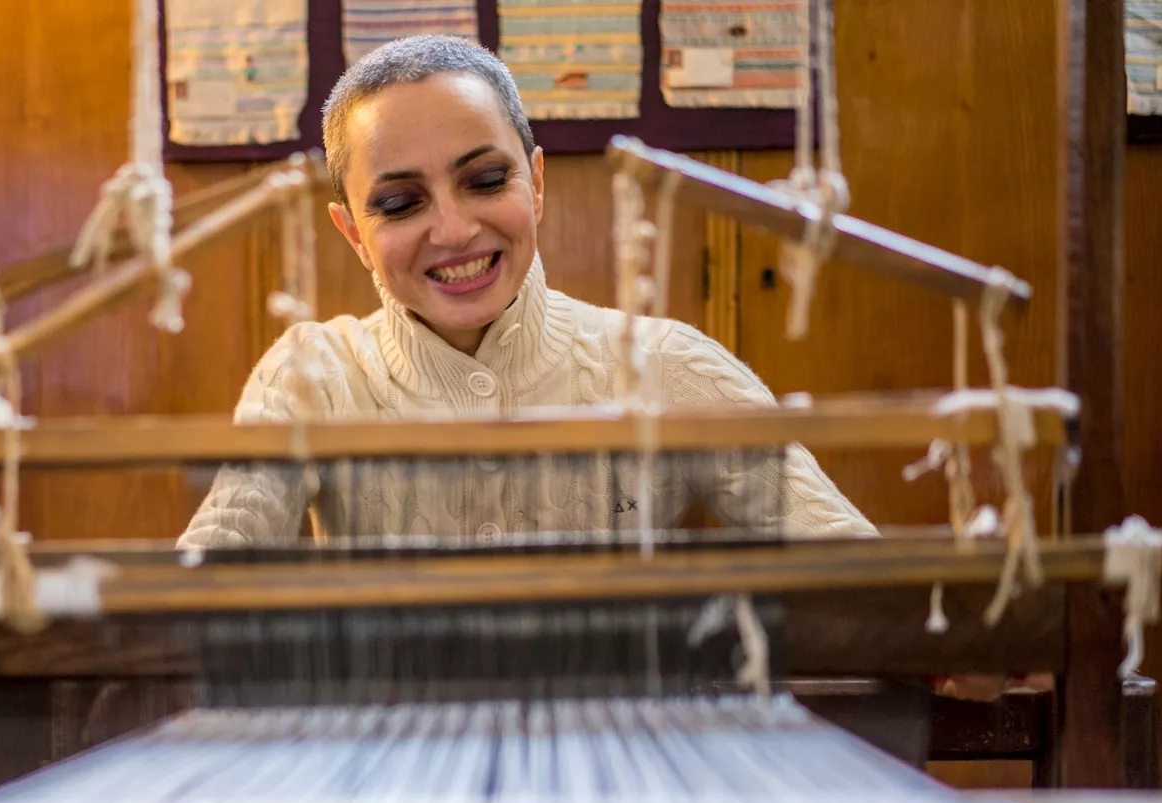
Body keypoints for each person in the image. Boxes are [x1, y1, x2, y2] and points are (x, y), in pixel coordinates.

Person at [179, 34, 873, 548]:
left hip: (612, 749)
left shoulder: (668, 364)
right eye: (399, 204)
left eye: (485, 181)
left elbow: (854, 567)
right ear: (353, 232)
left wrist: (955, 641)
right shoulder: (313, 376)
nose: (453, 230)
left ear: (535, 184)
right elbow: (215, 562)